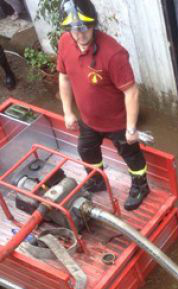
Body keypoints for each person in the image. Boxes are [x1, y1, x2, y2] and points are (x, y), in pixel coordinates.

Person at [57, 0, 150, 211]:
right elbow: (63, 77)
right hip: (89, 119)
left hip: (117, 121)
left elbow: (131, 92)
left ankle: (140, 186)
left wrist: (131, 128)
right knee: (86, 150)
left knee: (131, 155)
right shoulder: (64, 42)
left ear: (93, 24)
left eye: (84, 27)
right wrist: (68, 112)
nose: (79, 34)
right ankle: (97, 179)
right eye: (73, 29)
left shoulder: (113, 54)